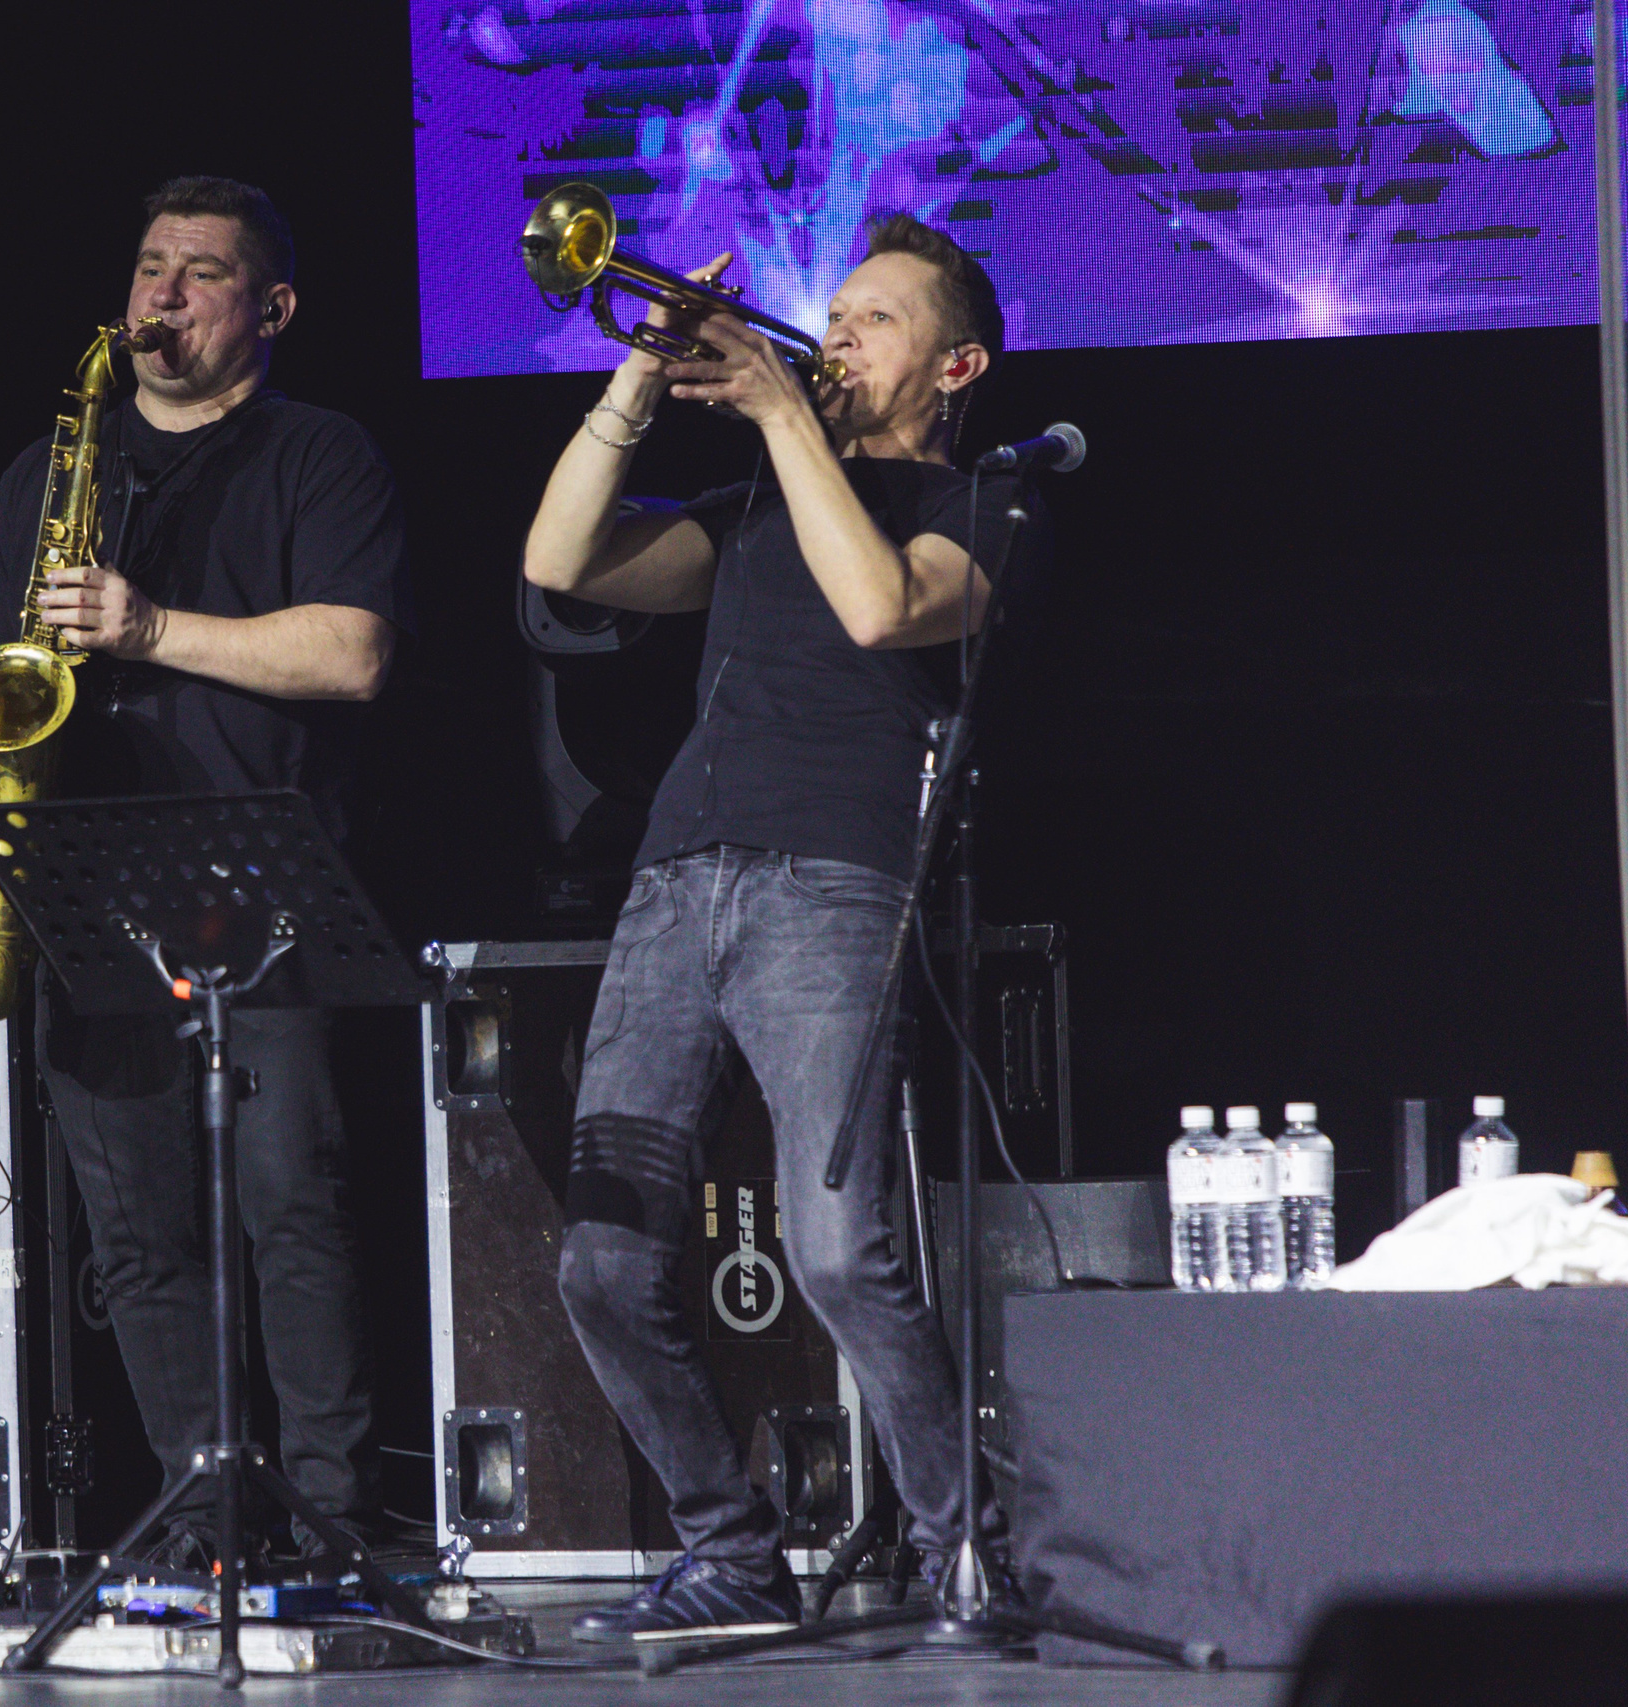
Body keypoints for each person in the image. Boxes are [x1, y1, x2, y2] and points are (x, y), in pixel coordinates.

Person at [521, 212, 1034, 1641]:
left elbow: (879, 609)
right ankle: (729, 1551)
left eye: (876, 319)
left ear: (958, 364)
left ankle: (965, 1553)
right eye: (838, 311)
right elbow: (562, 561)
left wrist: (773, 416)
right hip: (675, 886)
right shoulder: (753, 513)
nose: (839, 334)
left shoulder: (979, 509)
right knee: (601, 1260)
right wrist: (639, 374)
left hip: (831, 889)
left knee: (836, 1255)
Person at [0, 176, 406, 1562]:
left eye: (203, 272)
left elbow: (354, 654)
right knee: (134, 1242)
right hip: (85, 888)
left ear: (271, 310)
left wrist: (148, 628)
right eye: (151, 266)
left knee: (293, 1216)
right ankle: (202, 1513)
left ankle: (324, 1523)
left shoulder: (323, 453)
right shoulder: (51, 473)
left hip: (265, 895)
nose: (164, 294)